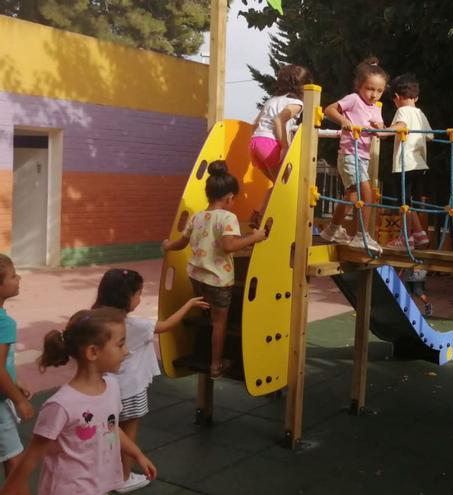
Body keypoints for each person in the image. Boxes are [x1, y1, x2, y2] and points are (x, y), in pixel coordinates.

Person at [0, 308, 157, 495]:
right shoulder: (61, 405)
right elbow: (32, 457)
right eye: (120, 344)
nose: (126, 351)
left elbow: (110, 427)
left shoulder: (112, 387)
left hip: (98, 485)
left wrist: (136, 454)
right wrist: (9, 489)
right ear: (92, 352)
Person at [92, 268, 208, 492]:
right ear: (126, 298)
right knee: (129, 434)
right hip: (132, 390)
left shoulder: (97, 321)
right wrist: (189, 305)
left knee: (110, 433)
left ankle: (106, 472)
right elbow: (166, 325)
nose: (140, 298)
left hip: (106, 389)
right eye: (138, 294)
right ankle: (123, 478)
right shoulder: (135, 325)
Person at [162, 161, 267, 379]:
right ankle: (215, 365)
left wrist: (167, 245)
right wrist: (254, 238)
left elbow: (181, 242)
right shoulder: (228, 217)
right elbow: (229, 246)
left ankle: (202, 347)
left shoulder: (197, 216)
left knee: (209, 315)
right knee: (220, 323)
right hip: (218, 280)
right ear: (229, 197)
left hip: (197, 277)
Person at [320, 56, 388, 254]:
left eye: (379, 91)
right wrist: (343, 121)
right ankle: (361, 235)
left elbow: (382, 136)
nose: (374, 94)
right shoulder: (354, 99)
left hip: (363, 158)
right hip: (350, 154)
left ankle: (330, 231)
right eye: (370, 89)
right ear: (359, 86)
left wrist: (380, 128)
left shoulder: (376, 109)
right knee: (367, 194)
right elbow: (329, 109)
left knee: (351, 196)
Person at [248, 64, 314, 227]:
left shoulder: (272, 101)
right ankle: (266, 222)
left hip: (256, 143)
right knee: (285, 185)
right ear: (302, 87)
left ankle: (260, 215)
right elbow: (279, 120)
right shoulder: (296, 103)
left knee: (279, 184)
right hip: (270, 144)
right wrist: (285, 145)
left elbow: (255, 124)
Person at [385, 73, 433, 250]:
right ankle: (419, 234)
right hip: (420, 164)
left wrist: (384, 132)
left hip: (404, 165)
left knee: (403, 204)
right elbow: (430, 136)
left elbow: (401, 126)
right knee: (409, 202)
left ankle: (405, 238)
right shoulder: (420, 113)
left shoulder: (402, 111)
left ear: (396, 98)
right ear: (417, 97)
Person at [0, 255, 32, 479]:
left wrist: (14, 382)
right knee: (15, 463)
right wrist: (19, 400)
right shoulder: (4, 324)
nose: (18, 278)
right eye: (13, 275)